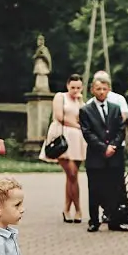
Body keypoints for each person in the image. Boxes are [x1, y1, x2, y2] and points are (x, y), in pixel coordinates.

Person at [80, 76, 128, 233]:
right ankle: (94, 221)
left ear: (109, 90)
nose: (101, 92)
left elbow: (121, 130)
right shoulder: (86, 110)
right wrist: (103, 148)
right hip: (96, 157)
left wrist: (113, 145)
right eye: (98, 89)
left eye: (104, 89)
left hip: (115, 156)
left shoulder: (115, 108)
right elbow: (87, 133)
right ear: (92, 90)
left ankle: (115, 220)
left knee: (114, 189)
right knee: (95, 189)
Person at [39, 74, 87, 223]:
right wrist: (77, 126)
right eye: (73, 87)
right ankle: (78, 209)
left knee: (72, 177)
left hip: (77, 140)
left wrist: (79, 101)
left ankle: (66, 209)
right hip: (62, 137)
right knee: (72, 174)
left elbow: (84, 117)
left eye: (78, 87)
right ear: (67, 86)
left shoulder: (81, 101)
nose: (75, 90)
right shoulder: (60, 97)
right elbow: (59, 116)